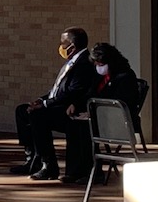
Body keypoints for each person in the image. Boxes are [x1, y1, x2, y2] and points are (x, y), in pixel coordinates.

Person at [10, 27, 97, 180]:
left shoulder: (84, 63)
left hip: (70, 109)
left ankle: (48, 165)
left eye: (63, 43)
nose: (60, 47)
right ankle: (33, 159)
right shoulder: (71, 62)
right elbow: (57, 89)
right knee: (23, 111)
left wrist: (45, 104)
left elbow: (71, 93)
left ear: (72, 46)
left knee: (38, 115)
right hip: (57, 104)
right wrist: (41, 99)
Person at [61, 43, 140, 184]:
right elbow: (90, 93)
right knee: (73, 124)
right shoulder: (99, 76)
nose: (98, 66)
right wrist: (76, 104)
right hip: (98, 116)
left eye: (101, 63)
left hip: (118, 120)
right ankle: (74, 171)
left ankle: (94, 171)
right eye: (96, 63)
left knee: (86, 128)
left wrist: (93, 115)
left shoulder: (125, 76)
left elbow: (121, 102)